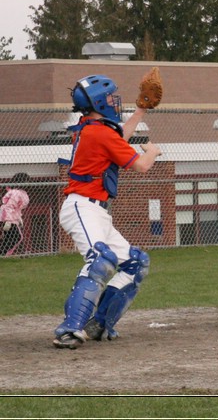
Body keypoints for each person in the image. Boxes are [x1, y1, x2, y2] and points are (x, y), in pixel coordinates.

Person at [53, 74, 162, 349]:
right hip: (81, 205)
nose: (115, 101)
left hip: (96, 210)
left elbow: (119, 138)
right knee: (100, 259)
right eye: (111, 98)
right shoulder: (98, 132)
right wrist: (153, 151)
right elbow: (142, 165)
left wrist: (141, 111)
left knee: (135, 263)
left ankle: (99, 324)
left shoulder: (92, 128)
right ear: (100, 103)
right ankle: (69, 329)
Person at [0, 173, 30, 256]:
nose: (28, 183)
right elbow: (9, 206)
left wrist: (19, 218)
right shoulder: (16, 193)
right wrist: (8, 221)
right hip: (8, 217)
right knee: (17, 237)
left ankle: (4, 254)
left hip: (12, 217)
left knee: (11, 238)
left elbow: (17, 208)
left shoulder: (21, 193)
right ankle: (4, 254)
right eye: (26, 181)